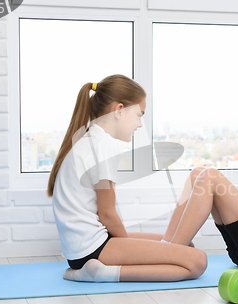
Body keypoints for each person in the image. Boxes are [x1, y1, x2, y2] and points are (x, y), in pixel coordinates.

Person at [47, 74, 207, 282]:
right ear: (119, 110)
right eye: (139, 115)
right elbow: (107, 213)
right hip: (91, 249)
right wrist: (128, 247)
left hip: (83, 248)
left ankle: (91, 270)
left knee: (184, 246)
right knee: (197, 261)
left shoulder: (92, 139)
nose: (140, 124)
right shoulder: (104, 145)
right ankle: (99, 273)